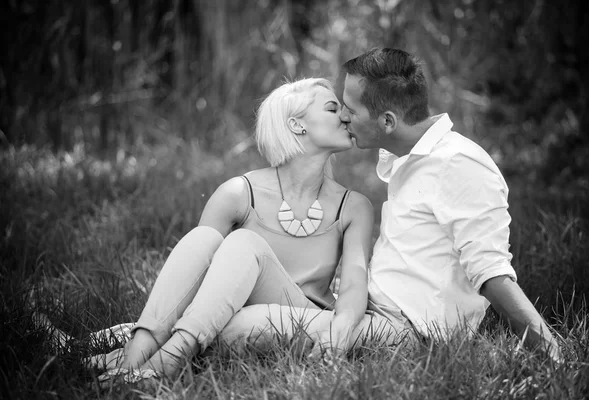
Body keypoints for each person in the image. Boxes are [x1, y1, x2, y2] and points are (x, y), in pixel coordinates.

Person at [86, 77, 399, 385]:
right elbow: (193, 274)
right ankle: (133, 359)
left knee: (245, 242)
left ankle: (169, 358)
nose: (345, 115)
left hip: (301, 317)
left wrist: (342, 326)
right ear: (296, 125)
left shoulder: (353, 205)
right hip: (229, 316)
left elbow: (355, 283)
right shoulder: (238, 193)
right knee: (203, 238)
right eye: (332, 108)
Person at [336, 47, 563, 360]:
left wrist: (554, 356)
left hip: (403, 330)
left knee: (250, 326)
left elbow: (491, 272)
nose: (342, 115)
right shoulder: (410, 156)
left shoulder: (457, 164)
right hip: (370, 304)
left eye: (350, 108)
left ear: (388, 121)